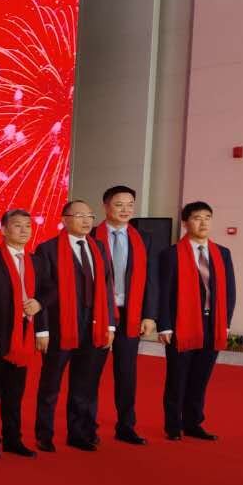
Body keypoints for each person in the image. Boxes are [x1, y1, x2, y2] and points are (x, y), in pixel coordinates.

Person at [33, 199, 115, 452]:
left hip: (94, 325)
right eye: (79, 216)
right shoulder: (47, 249)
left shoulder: (99, 247)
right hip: (60, 327)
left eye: (90, 216)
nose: (86, 221)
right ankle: (44, 434)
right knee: (51, 384)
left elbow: (108, 287)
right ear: (64, 219)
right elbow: (41, 292)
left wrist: (110, 325)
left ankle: (79, 433)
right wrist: (42, 329)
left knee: (86, 384)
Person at [156, 201, 236, 441]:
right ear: (185, 222)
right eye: (197, 218)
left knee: (200, 378)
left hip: (213, 324)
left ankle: (193, 423)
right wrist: (165, 325)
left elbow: (230, 291)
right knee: (177, 378)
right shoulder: (170, 254)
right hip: (182, 324)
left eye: (207, 218)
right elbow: (163, 292)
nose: (203, 223)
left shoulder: (222, 253)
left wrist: (226, 323)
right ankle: (173, 425)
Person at [0, 209, 46, 459]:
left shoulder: (36, 261)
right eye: (17, 225)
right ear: (3, 230)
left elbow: (50, 290)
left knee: (15, 392)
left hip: (24, 335)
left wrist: (39, 303)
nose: (24, 230)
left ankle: (13, 439)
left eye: (28, 226)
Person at [91, 185, 157, 444]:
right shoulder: (91, 236)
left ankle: (126, 426)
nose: (125, 209)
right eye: (119, 204)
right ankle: (85, 426)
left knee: (127, 373)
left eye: (130, 204)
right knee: (90, 373)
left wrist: (149, 315)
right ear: (106, 206)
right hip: (99, 313)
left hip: (131, 314)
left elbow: (151, 280)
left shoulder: (144, 239)